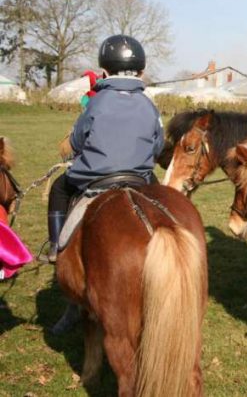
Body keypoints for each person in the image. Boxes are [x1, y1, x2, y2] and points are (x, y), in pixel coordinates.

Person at [46, 35, 164, 264]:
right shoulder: (149, 105)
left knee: (59, 189)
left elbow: (78, 141)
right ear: (141, 72)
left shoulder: (96, 102)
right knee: (160, 197)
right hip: (138, 177)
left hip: (95, 178)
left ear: (104, 72)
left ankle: (54, 246)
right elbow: (158, 145)